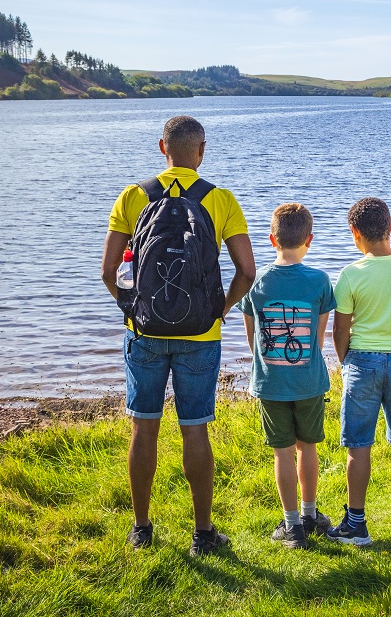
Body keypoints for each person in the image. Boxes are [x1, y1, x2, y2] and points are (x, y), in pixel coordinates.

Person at [101, 115, 256, 556]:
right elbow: (247, 271)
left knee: (143, 429)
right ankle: (203, 534)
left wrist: (133, 310)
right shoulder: (220, 199)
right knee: (195, 431)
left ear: (161, 147)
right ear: (201, 151)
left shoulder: (133, 196)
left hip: (144, 332)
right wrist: (219, 312)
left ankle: (142, 530)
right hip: (201, 335)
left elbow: (109, 272)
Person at [239, 203, 336, 550]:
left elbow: (253, 338)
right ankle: (310, 515)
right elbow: (320, 337)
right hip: (309, 379)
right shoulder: (320, 280)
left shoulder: (256, 282)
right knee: (307, 447)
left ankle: (292, 526)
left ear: (271, 239)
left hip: (270, 381)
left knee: (281, 453)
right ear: (309, 239)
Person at [327, 197, 391, 546]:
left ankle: (356, 522)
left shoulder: (350, 274)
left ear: (355, 234)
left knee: (358, 446)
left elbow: (340, 330)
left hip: (362, 362)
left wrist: (344, 359)